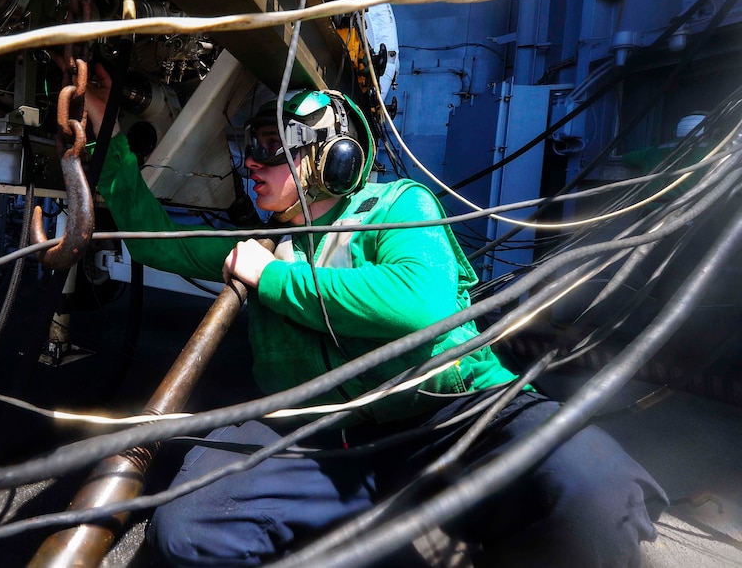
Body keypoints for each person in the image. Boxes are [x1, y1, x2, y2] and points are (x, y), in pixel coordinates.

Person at [85, 74, 667, 567]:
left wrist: (274, 279)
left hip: (454, 411)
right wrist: (105, 130)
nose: (252, 162)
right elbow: (152, 243)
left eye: (271, 145)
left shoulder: (398, 205)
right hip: (323, 432)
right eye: (251, 147)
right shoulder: (261, 242)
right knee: (188, 528)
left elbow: (422, 305)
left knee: (597, 496)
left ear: (330, 157)